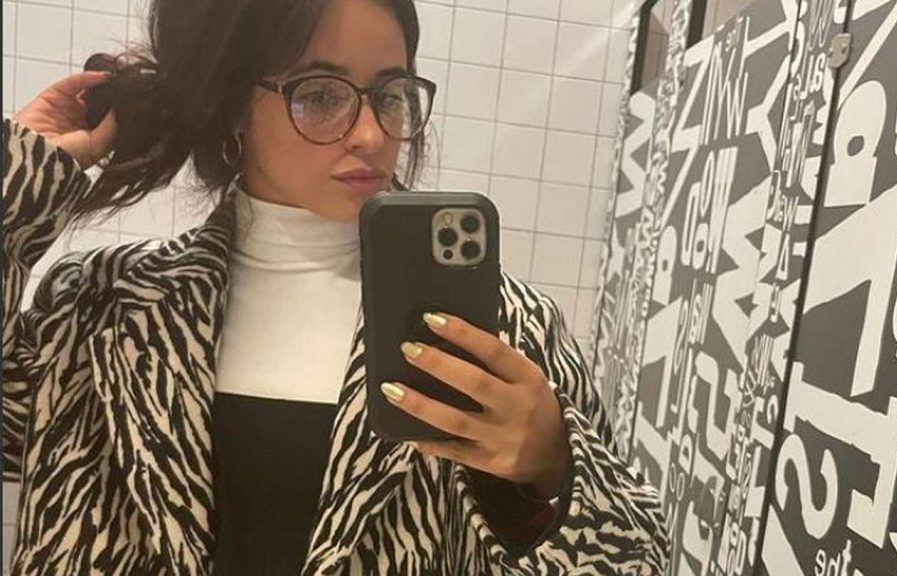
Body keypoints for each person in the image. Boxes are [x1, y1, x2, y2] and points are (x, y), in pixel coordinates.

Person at [1, 0, 667, 573]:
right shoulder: (105, 307)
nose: (373, 135)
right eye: (321, 95)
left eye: (391, 93)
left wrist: (554, 465)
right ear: (232, 105)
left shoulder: (508, 329)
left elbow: (636, 560)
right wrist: (17, 185)